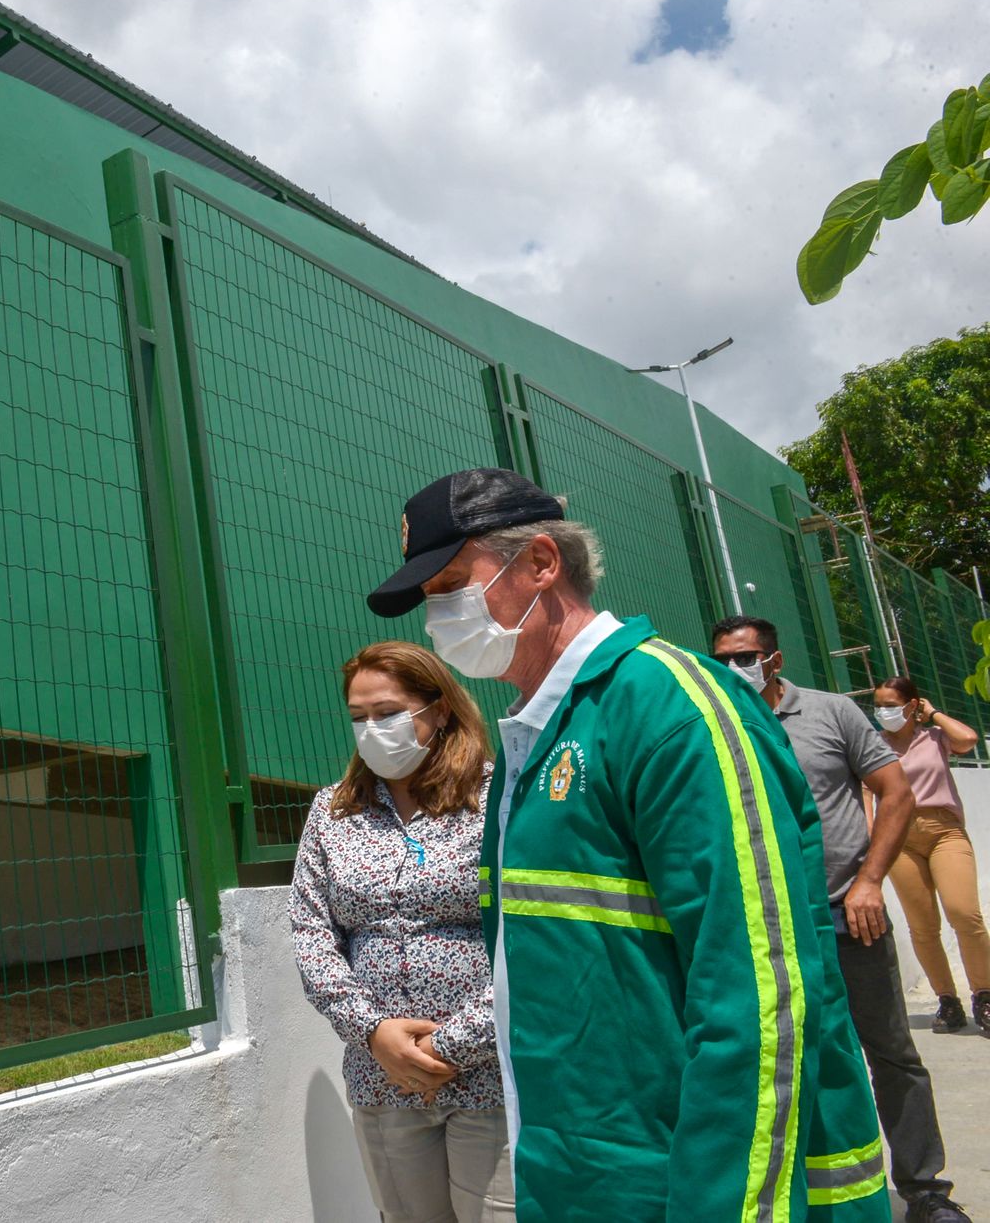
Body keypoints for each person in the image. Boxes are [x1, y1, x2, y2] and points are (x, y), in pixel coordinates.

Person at [365, 466, 885, 1222]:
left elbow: (759, 995)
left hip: (696, 1182)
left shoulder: (668, 706)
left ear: (542, 563)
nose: (437, 614)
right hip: (584, 1173)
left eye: (451, 582)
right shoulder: (531, 733)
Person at [710, 615, 969, 1223]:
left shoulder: (832, 713)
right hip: (758, 927)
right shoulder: (713, 723)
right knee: (782, 1061)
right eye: (720, 657)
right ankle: (805, 1192)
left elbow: (895, 792)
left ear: (774, 660)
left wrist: (870, 881)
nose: (731, 669)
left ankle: (926, 1190)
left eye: (743, 657)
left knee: (890, 1052)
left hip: (848, 915)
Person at [291, 640, 515, 1223]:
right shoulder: (334, 811)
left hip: (489, 1072)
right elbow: (311, 930)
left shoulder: (499, 799)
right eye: (359, 718)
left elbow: (528, 932)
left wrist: (449, 1046)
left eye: (388, 713)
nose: (372, 730)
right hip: (382, 1078)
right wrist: (373, 1034)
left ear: (438, 710)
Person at [870, 675, 989, 1034]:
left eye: (891, 705)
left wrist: (933, 713)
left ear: (912, 705)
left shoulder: (935, 739)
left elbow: (968, 739)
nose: (882, 712)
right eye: (878, 705)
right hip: (899, 838)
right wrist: (868, 838)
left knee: (963, 914)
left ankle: (984, 995)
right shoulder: (874, 746)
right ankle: (947, 1000)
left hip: (944, 831)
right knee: (922, 926)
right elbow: (865, 793)